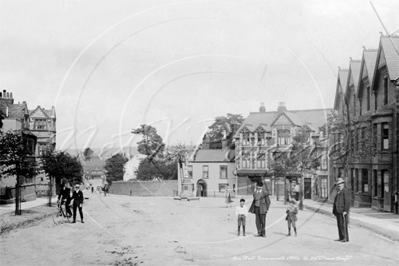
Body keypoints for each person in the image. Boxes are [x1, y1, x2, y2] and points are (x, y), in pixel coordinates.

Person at [332, 178, 350, 242]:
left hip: (342, 211)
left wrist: (345, 210)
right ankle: (341, 237)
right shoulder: (339, 191)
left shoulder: (345, 191)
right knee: (339, 224)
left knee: (343, 224)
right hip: (338, 210)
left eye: (340, 184)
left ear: (343, 184)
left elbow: (347, 201)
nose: (339, 185)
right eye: (338, 184)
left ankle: (345, 238)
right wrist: (334, 211)